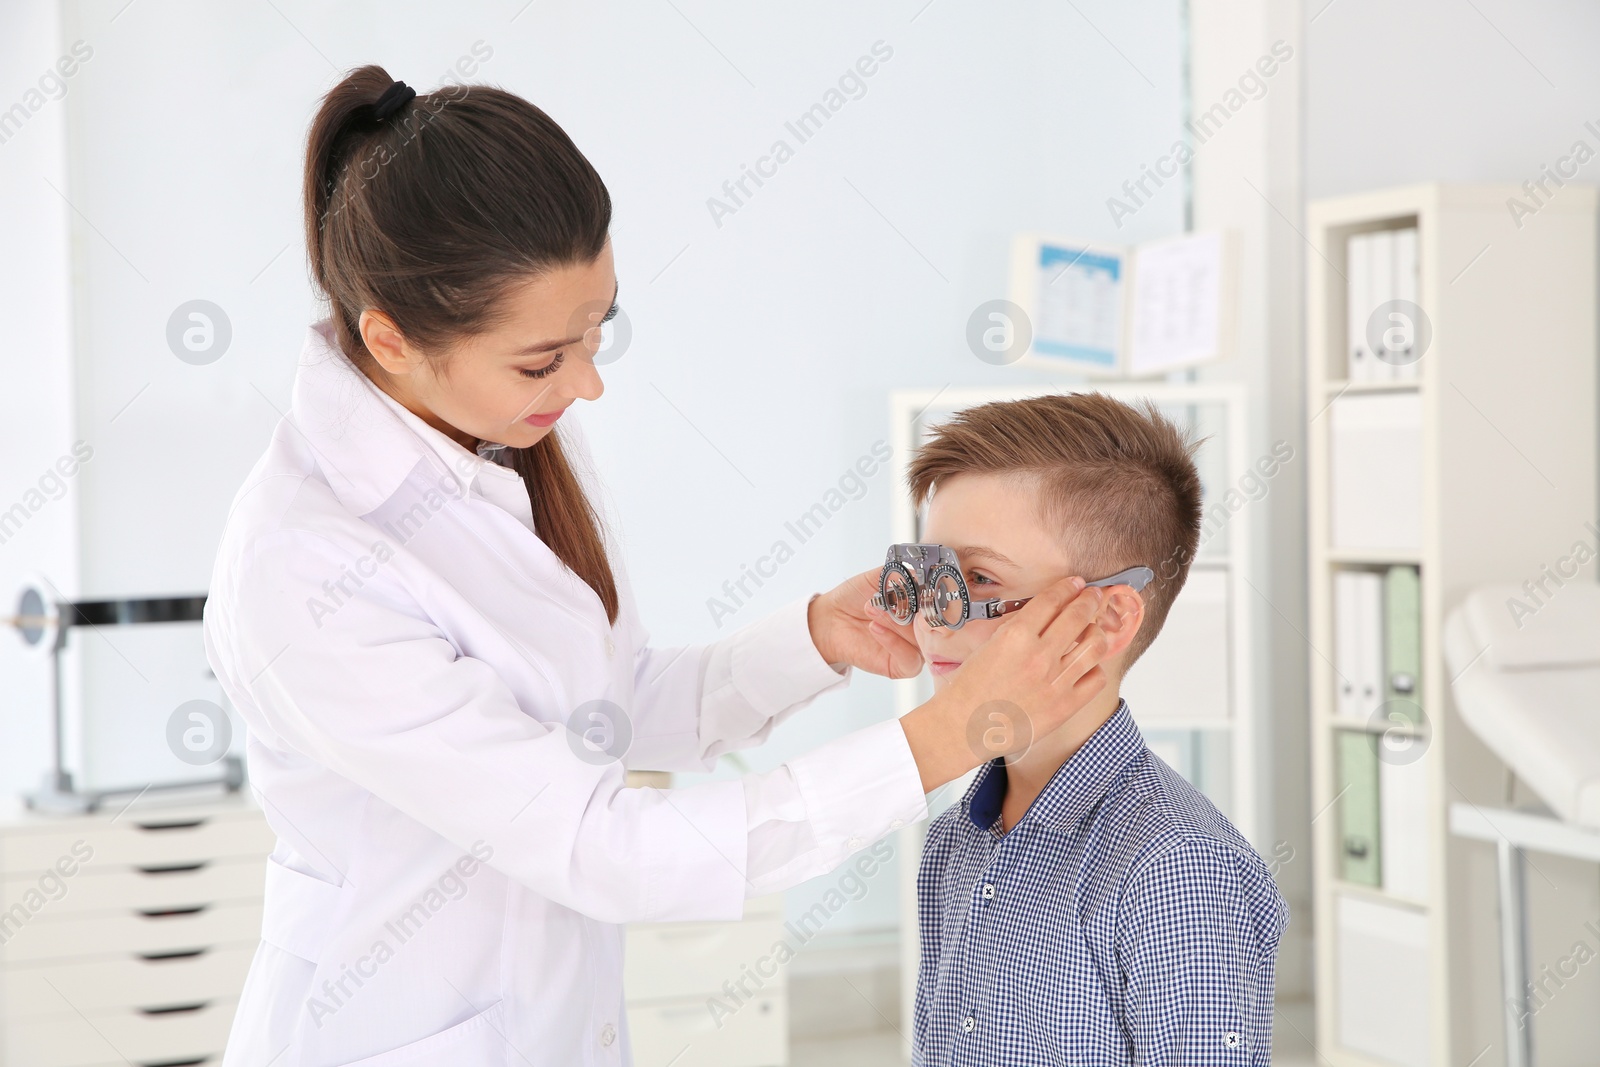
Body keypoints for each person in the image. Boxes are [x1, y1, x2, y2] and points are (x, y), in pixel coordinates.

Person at [201, 67, 1114, 1065]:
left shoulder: (503, 426)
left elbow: (604, 705)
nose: (586, 383)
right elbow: (605, 847)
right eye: (544, 358)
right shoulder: (304, 565)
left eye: (599, 331)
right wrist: (941, 736)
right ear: (392, 339)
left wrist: (814, 638)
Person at [909, 393, 1290, 1066]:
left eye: (979, 576)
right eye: (930, 576)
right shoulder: (952, 842)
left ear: (1107, 619)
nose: (934, 615)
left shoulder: (1174, 867)